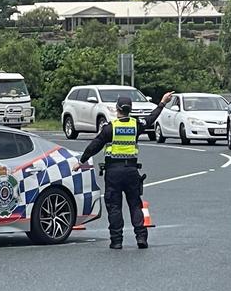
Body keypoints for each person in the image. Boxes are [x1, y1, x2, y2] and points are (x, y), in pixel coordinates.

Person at [72, 91, 174, 249]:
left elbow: (95, 145)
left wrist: (81, 161)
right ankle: (141, 238)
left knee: (114, 206)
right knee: (135, 204)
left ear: (117, 109)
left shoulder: (110, 128)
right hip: (132, 171)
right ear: (130, 109)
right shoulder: (136, 125)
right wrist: (162, 102)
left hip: (113, 172)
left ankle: (117, 240)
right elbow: (152, 118)